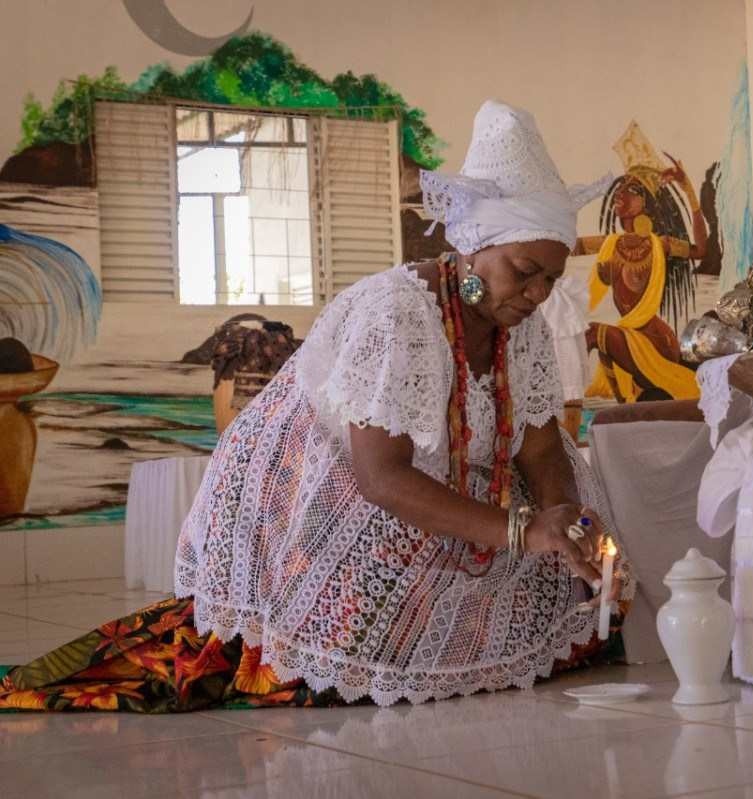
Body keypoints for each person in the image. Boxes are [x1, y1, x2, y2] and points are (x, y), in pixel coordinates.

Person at [0, 100, 630, 712]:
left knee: (581, 611)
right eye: (525, 271)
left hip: (439, 503)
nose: (539, 294)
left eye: (551, 278)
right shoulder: (397, 312)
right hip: (315, 502)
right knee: (350, 645)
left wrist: (562, 521)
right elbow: (380, 477)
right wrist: (524, 530)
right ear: (473, 246)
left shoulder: (525, 329)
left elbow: (542, 445)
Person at [577, 121, 705, 403]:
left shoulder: (660, 244)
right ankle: (619, 405)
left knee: (591, 334)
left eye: (631, 190)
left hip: (655, 342)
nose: (620, 195)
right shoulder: (610, 244)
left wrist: (689, 192)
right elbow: (568, 246)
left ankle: (565, 403)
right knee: (596, 338)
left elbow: (700, 250)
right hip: (629, 335)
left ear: (646, 201)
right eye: (620, 189)